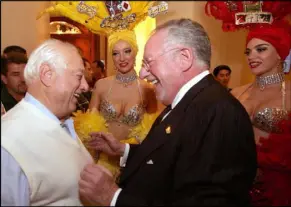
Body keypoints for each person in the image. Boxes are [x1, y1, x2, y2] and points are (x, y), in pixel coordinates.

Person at [78, 18, 257, 206]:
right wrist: (124, 150)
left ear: (184, 58)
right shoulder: (189, 101)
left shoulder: (219, 112)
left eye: (149, 63)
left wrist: (113, 197)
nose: (143, 74)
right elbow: (171, 154)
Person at [1, 39, 93, 206]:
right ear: (47, 75)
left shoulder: (57, 119)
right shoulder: (8, 143)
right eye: (79, 77)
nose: (85, 86)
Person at [73, 29, 162, 179]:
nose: (122, 58)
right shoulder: (101, 85)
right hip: (104, 161)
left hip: (134, 161)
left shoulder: (148, 89)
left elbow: (153, 130)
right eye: (115, 53)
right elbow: (88, 127)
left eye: (127, 51)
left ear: (135, 53)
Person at [231, 20, 291, 206]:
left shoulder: (289, 94)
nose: (252, 56)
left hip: (277, 190)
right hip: (234, 183)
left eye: (261, 49)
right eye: (248, 52)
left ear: (281, 53)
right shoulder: (236, 93)